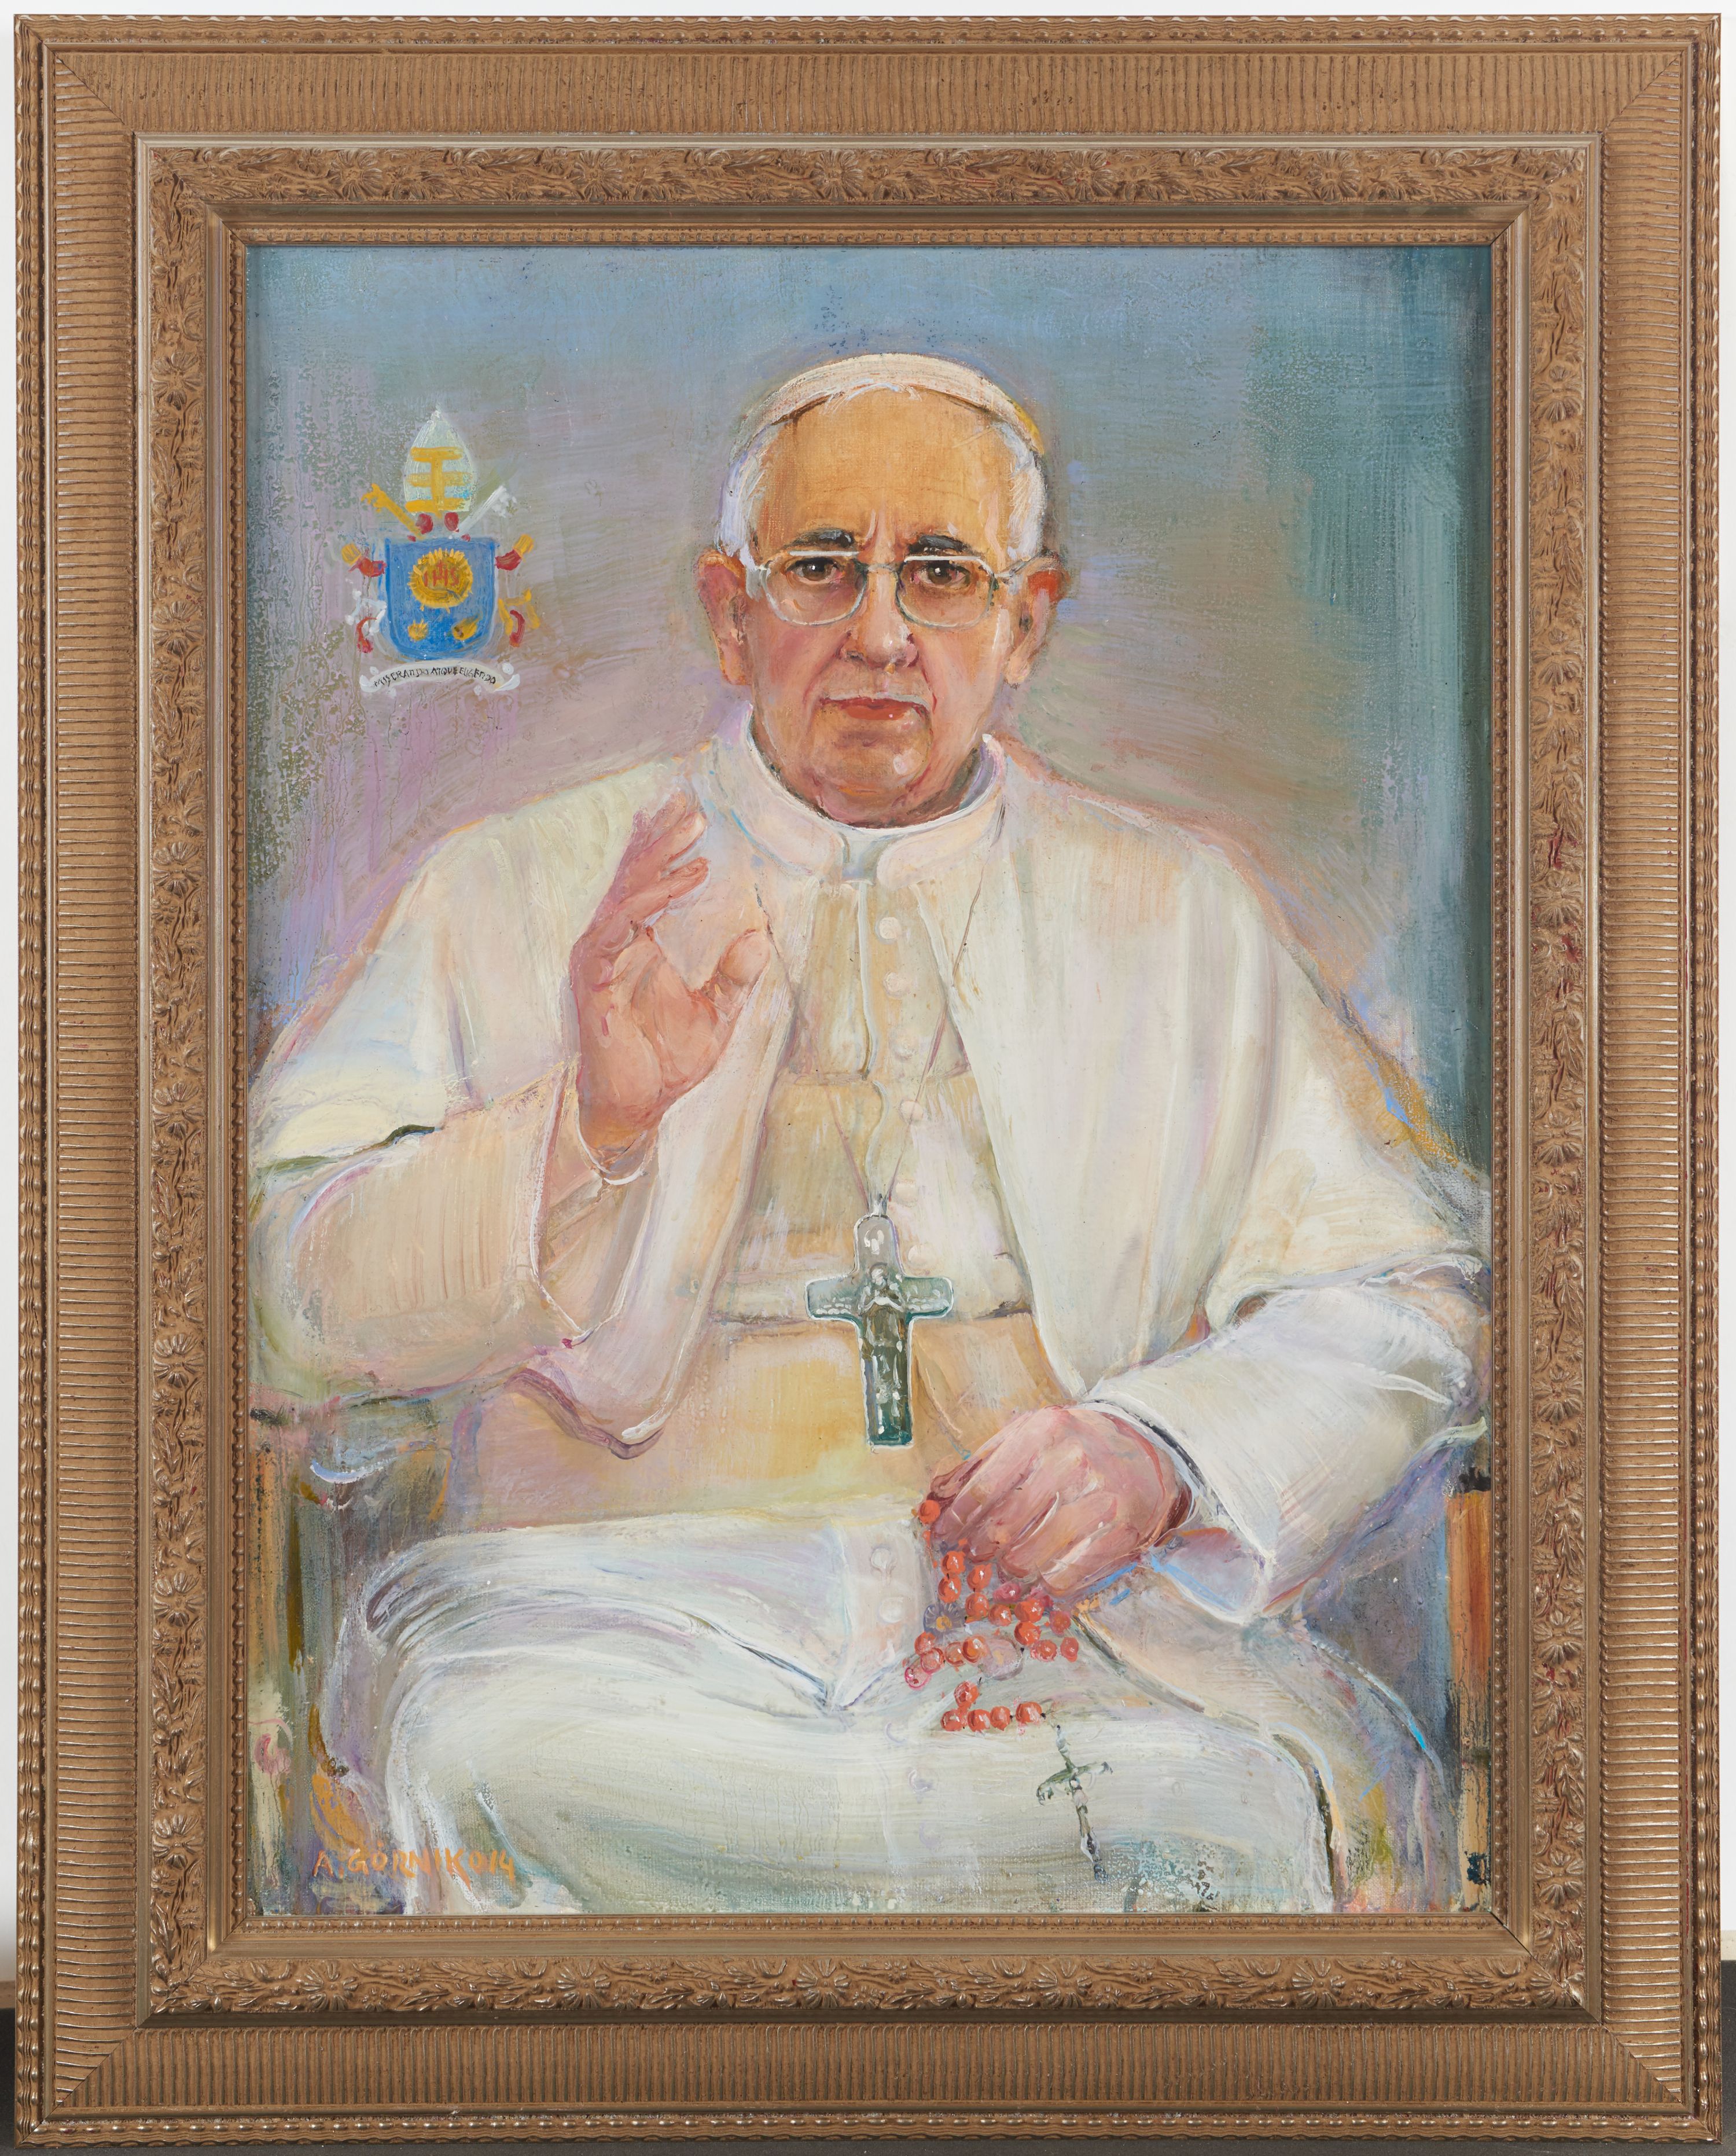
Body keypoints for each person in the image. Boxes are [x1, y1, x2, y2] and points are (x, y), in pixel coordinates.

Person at [251, 352, 1489, 1916]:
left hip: (1067, 1647)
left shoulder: (1177, 915)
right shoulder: (515, 885)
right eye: (823, 568)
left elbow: (1410, 1294)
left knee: (1233, 1827)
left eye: (944, 575)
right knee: (492, 1768)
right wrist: (581, 1132)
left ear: (1026, 625)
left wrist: (1164, 1451)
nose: (882, 635)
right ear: (729, 611)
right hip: (601, 1629)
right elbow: (267, 1289)